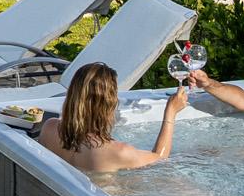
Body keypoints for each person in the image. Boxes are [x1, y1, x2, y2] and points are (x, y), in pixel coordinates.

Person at [35, 63, 189, 174]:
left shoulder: (49, 128)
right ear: (109, 103)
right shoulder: (118, 152)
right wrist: (171, 112)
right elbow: (160, 159)